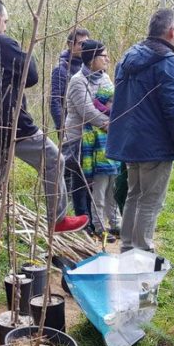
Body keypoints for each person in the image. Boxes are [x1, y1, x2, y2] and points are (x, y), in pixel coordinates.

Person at [0, 0, 88, 233]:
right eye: (5, 21)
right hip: (13, 125)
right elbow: (33, 75)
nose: (5, 25)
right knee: (54, 159)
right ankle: (57, 219)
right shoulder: (1, 43)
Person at [106, 8, 174, 252]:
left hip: (130, 143)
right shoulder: (166, 61)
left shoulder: (127, 58)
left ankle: (127, 248)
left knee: (134, 195)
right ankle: (142, 251)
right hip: (155, 145)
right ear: (172, 31)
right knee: (150, 200)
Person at [66, 39, 120, 240]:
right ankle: (85, 220)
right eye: (103, 56)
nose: (107, 59)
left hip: (103, 140)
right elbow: (87, 110)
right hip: (80, 138)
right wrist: (108, 124)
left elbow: (115, 102)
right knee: (81, 181)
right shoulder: (78, 81)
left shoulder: (105, 78)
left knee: (105, 182)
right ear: (91, 59)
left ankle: (109, 221)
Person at [51, 28, 92, 220]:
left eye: (87, 44)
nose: (84, 47)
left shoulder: (90, 67)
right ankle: (62, 216)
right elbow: (55, 102)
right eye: (80, 44)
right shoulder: (61, 69)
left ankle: (83, 215)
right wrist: (62, 129)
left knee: (85, 174)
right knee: (68, 171)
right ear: (70, 45)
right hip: (71, 129)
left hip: (88, 129)